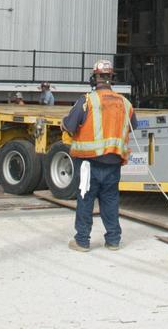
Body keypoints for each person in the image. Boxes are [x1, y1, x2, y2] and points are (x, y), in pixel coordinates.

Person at [62, 59, 135, 252]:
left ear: (94, 78)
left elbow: (70, 126)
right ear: (112, 78)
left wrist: (64, 123)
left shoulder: (87, 100)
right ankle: (113, 240)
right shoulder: (125, 103)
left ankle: (82, 241)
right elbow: (132, 126)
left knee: (85, 199)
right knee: (110, 201)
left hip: (88, 163)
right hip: (113, 163)